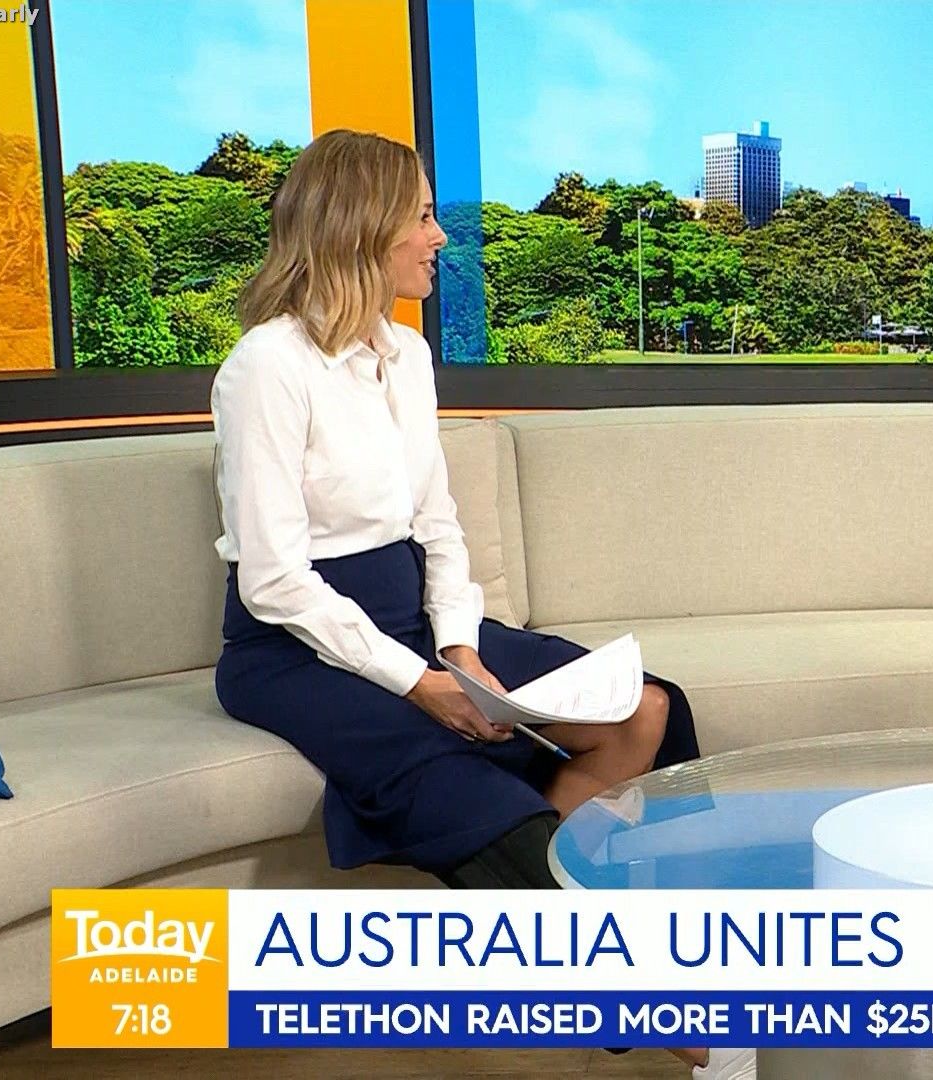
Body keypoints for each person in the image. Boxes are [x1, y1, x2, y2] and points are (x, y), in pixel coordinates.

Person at [210, 129, 749, 1078]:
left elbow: (437, 524)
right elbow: (274, 579)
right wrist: (418, 683)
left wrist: (458, 650)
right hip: (295, 647)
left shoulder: (406, 355)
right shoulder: (267, 367)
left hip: (417, 620)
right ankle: (684, 1024)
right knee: (461, 786)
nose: (439, 237)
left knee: (648, 709)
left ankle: (621, 937)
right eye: (422, 216)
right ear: (360, 227)